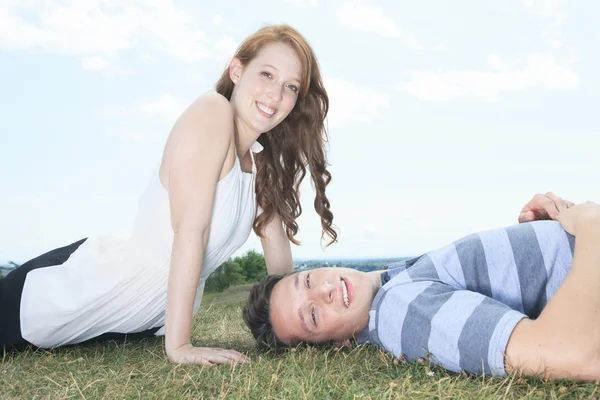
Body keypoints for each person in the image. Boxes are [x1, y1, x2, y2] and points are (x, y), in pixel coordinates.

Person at [0, 24, 338, 366]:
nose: (275, 94)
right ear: (237, 70)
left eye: (290, 86)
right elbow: (191, 230)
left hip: (139, 323)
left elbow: (277, 253)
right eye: (266, 74)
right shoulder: (212, 112)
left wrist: (297, 329)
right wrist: (180, 347)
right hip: (67, 295)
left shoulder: (260, 161)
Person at [243, 197, 600, 381]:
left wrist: (536, 242)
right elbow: (568, 354)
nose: (324, 291)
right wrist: (590, 223)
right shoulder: (402, 309)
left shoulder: (396, 283)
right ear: (340, 345)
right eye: (313, 315)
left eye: (306, 280)